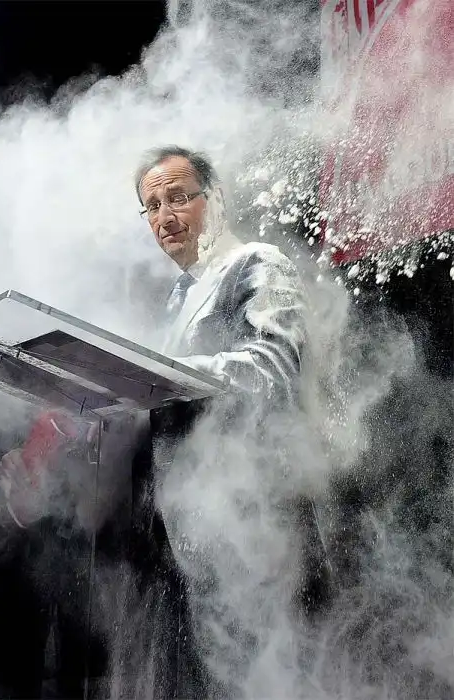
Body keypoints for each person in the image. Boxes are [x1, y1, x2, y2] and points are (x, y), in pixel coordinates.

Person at [128, 145, 314, 699]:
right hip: (189, 535)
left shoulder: (257, 262)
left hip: (253, 527)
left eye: (178, 197)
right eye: (153, 206)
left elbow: (274, 367)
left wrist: (165, 373)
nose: (165, 217)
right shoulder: (176, 298)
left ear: (216, 199)